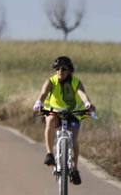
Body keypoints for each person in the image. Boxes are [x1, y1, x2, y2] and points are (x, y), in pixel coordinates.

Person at [33, 55, 95, 184]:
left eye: (64, 69)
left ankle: (75, 169)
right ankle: (50, 154)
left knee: (73, 140)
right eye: (57, 69)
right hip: (54, 112)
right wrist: (39, 102)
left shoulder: (75, 82)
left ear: (70, 70)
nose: (60, 71)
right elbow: (43, 93)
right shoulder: (51, 81)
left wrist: (88, 104)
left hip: (73, 113)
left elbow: (82, 94)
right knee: (49, 121)